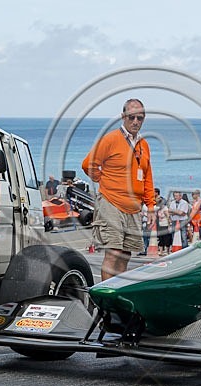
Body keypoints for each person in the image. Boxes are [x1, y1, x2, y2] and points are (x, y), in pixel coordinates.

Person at [81, 98, 155, 280]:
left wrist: (151, 206)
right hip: (111, 202)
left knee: (125, 254)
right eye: (131, 117)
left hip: (134, 207)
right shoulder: (111, 139)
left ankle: (118, 294)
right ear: (123, 117)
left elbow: (147, 177)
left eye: (140, 118)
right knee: (113, 252)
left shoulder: (143, 145)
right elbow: (87, 164)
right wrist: (103, 180)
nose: (135, 122)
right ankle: (107, 299)